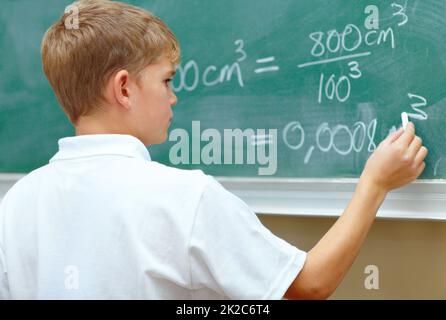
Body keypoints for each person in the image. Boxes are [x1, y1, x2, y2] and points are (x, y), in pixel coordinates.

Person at [0, 0, 428, 299]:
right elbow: (306, 287)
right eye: (167, 80)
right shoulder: (183, 198)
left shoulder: (15, 203)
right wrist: (374, 183)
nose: (174, 97)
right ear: (125, 88)